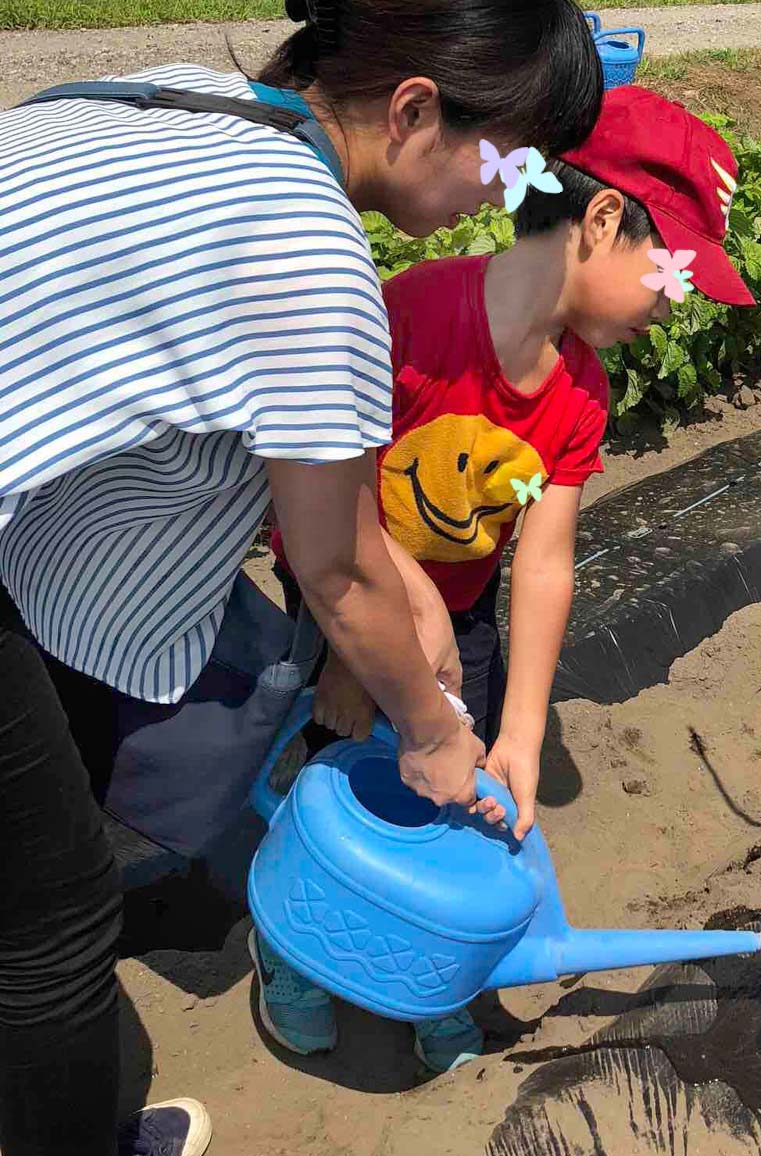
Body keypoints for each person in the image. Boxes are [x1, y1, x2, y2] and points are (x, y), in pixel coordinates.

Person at [0, 1, 602, 1153]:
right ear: (417, 110)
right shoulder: (307, 247)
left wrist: (406, 586)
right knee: (56, 919)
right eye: (505, 151)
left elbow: (333, 510)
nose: (508, 188)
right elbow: (329, 569)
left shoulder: (188, 99)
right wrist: (432, 731)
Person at [263, 84, 755, 1072]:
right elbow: (316, 506)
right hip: (342, 593)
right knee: (333, 774)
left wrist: (524, 728)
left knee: (456, 779)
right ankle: (296, 952)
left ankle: (418, 955)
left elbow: (542, 557)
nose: (675, 300)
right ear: (602, 219)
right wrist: (370, 645)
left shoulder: (580, 391)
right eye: (671, 271)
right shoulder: (405, 318)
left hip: (463, 610)